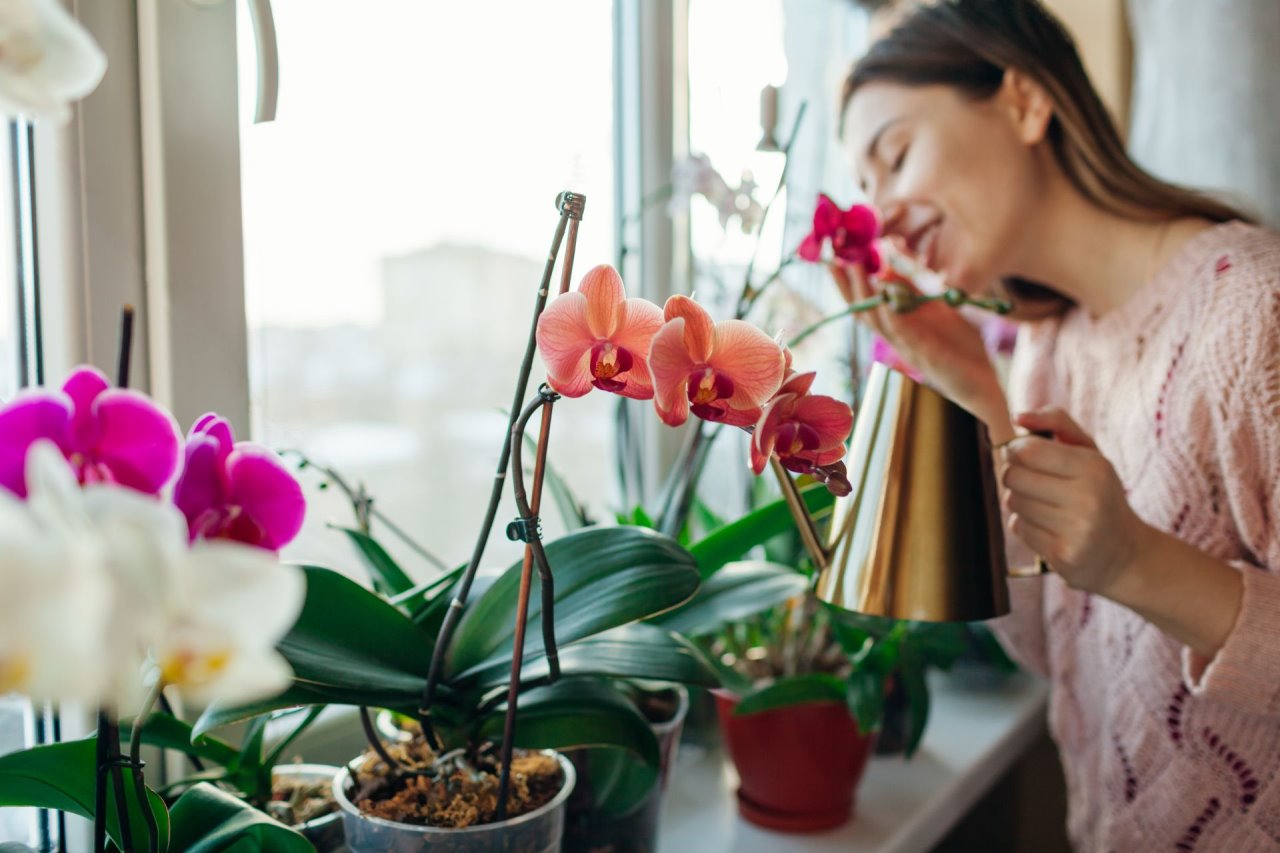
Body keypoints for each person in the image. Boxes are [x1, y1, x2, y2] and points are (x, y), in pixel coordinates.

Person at [831, 1, 1280, 850]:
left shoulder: (1252, 310)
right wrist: (972, 387)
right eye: (864, 188)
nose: (881, 215)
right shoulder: (1045, 349)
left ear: (1026, 102)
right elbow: (1048, 648)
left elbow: (1120, 576)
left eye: (894, 155)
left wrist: (1135, 561)